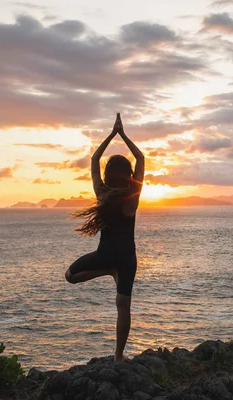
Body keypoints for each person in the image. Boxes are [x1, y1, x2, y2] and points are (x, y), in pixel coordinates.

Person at [65, 113, 145, 361]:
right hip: (127, 259)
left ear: (108, 173)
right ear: (129, 173)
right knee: (123, 307)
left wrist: (111, 135)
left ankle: (106, 270)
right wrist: (124, 135)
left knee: (70, 276)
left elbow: (94, 158)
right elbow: (141, 157)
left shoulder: (101, 193)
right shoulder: (134, 193)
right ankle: (119, 355)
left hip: (106, 254)